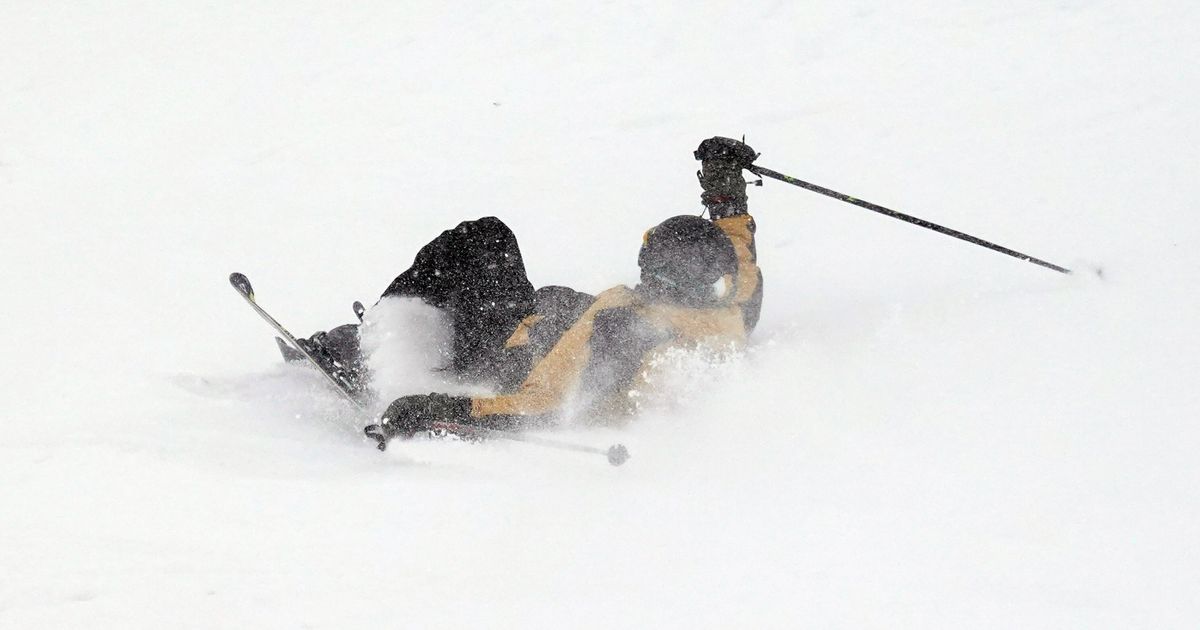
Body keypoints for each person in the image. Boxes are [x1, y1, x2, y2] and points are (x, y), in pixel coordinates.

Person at [295, 137, 764, 447]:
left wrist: (443, 408)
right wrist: (724, 181)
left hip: (509, 356)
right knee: (510, 270)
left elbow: (545, 403)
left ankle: (376, 347)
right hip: (543, 322)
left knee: (484, 238)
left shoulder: (620, 328)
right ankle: (389, 330)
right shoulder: (729, 310)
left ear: (656, 268)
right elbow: (736, 246)